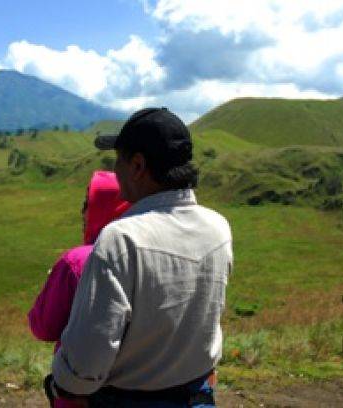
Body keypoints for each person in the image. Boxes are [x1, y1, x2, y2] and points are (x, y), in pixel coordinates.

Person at [47, 108, 233, 407]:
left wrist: (61, 383)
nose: (115, 170)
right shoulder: (218, 226)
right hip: (196, 396)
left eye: (118, 160)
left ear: (137, 165)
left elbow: (87, 361)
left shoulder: (120, 239)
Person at [28, 171, 130, 408]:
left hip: (82, 393)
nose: (82, 212)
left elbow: (43, 327)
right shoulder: (146, 252)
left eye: (88, 203)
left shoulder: (77, 261)